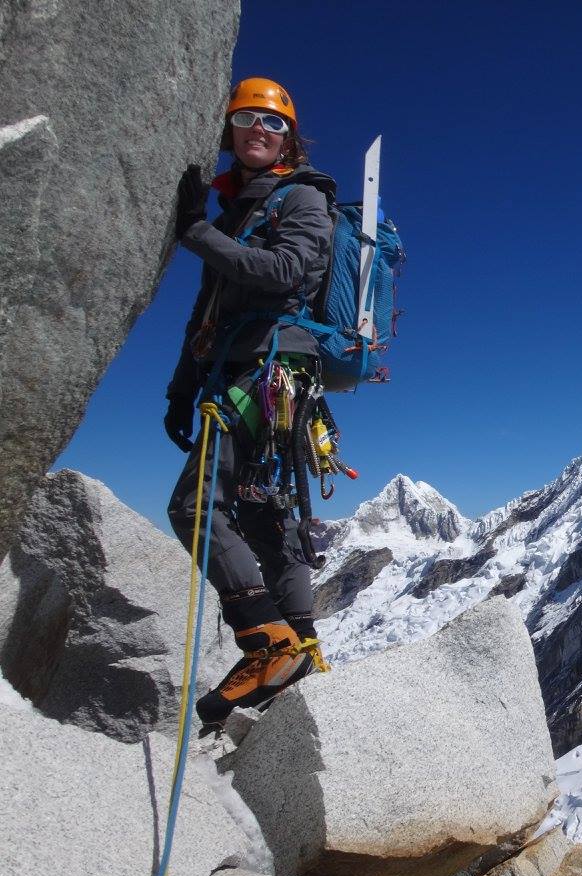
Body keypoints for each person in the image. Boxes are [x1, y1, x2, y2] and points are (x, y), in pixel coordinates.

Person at [165, 77, 336, 727]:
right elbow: (210, 311)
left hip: (272, 370)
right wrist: (182, 389)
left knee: (193, 505)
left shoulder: (302, 199)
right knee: (266, 514)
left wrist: (195, 233)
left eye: (272, 122)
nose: (258, 130)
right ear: (230, 130)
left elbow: (287, 274)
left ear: (290, 136)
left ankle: (267, 643)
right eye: (246, 118)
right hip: (248, 372)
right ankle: (302, 652)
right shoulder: (239, 214)